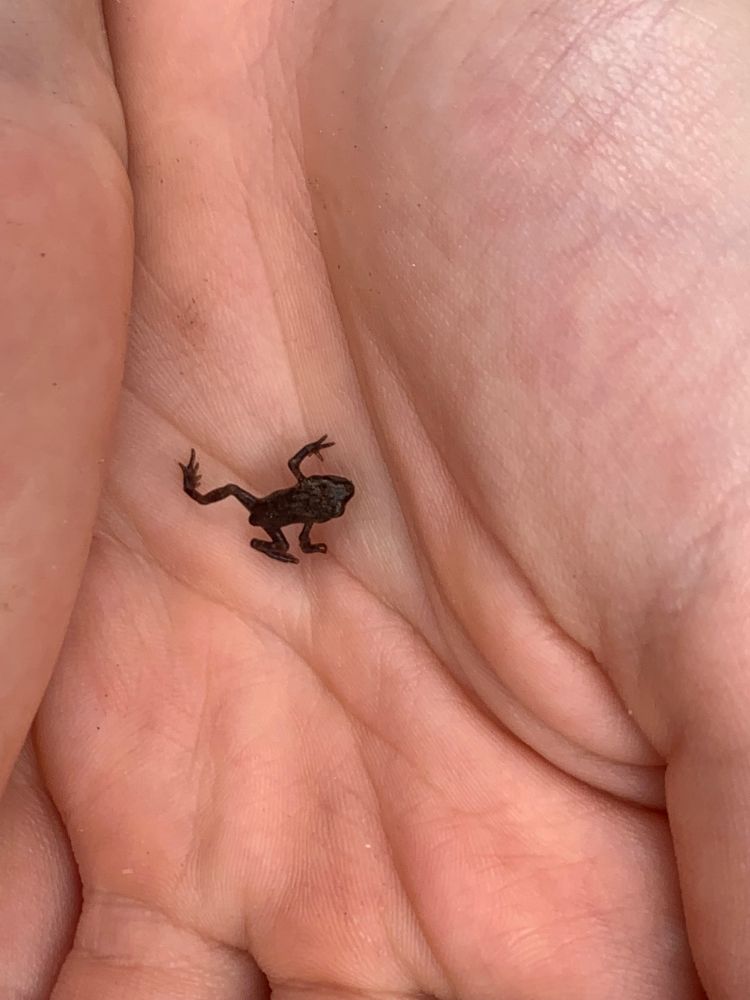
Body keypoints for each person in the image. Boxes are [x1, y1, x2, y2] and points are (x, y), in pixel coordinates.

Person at [1, 1, 747, 996]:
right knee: (234, 498)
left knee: (237, 498)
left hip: (266, 501)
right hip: (262, 507)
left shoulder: (311, 498)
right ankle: (210, 497)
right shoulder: (305, 500)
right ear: (320, 497)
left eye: (327, 498)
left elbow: (311, 477)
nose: (329, 493)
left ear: (324, 500)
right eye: (326, 494)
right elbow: (305, 475)